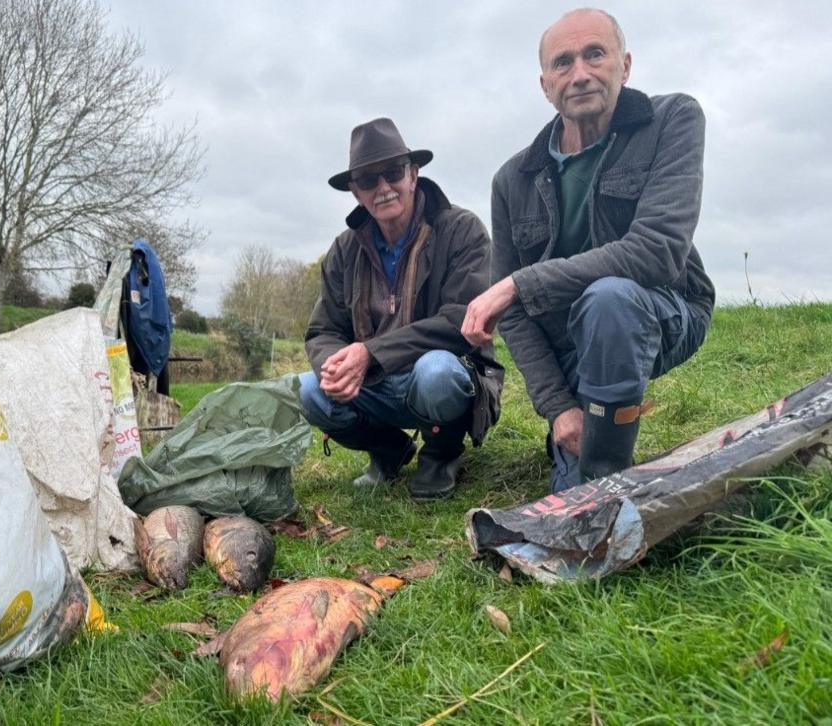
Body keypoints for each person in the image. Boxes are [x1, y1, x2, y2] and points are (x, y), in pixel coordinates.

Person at [461, 8, 715, 492]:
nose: (579, 74)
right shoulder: (511, 179)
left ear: (625, 65)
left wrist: (520, 283)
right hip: (569, 340)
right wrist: (558, 407)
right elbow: (514, 319)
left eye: (595, 54)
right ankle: (579, 430)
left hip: (666, 308)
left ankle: (603, 479)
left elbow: (657, 251)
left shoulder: (673, 119)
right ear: (545, 84)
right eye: (563, 63)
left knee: (609, 299)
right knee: (592, 325)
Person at [301, 118, 503, 500]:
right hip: (376, 382)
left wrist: (370, 353)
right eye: (367, 181)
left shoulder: (463, 230)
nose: (383, 188)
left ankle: (442, 453)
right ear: (355, 192)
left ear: (413, 174)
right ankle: (389, 451)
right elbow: (322, 330)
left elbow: (460, 322)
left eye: (393, 173)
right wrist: (336, 365)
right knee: (311, 390)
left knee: (437, 373)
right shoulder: (344, 250)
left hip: (445, 376)